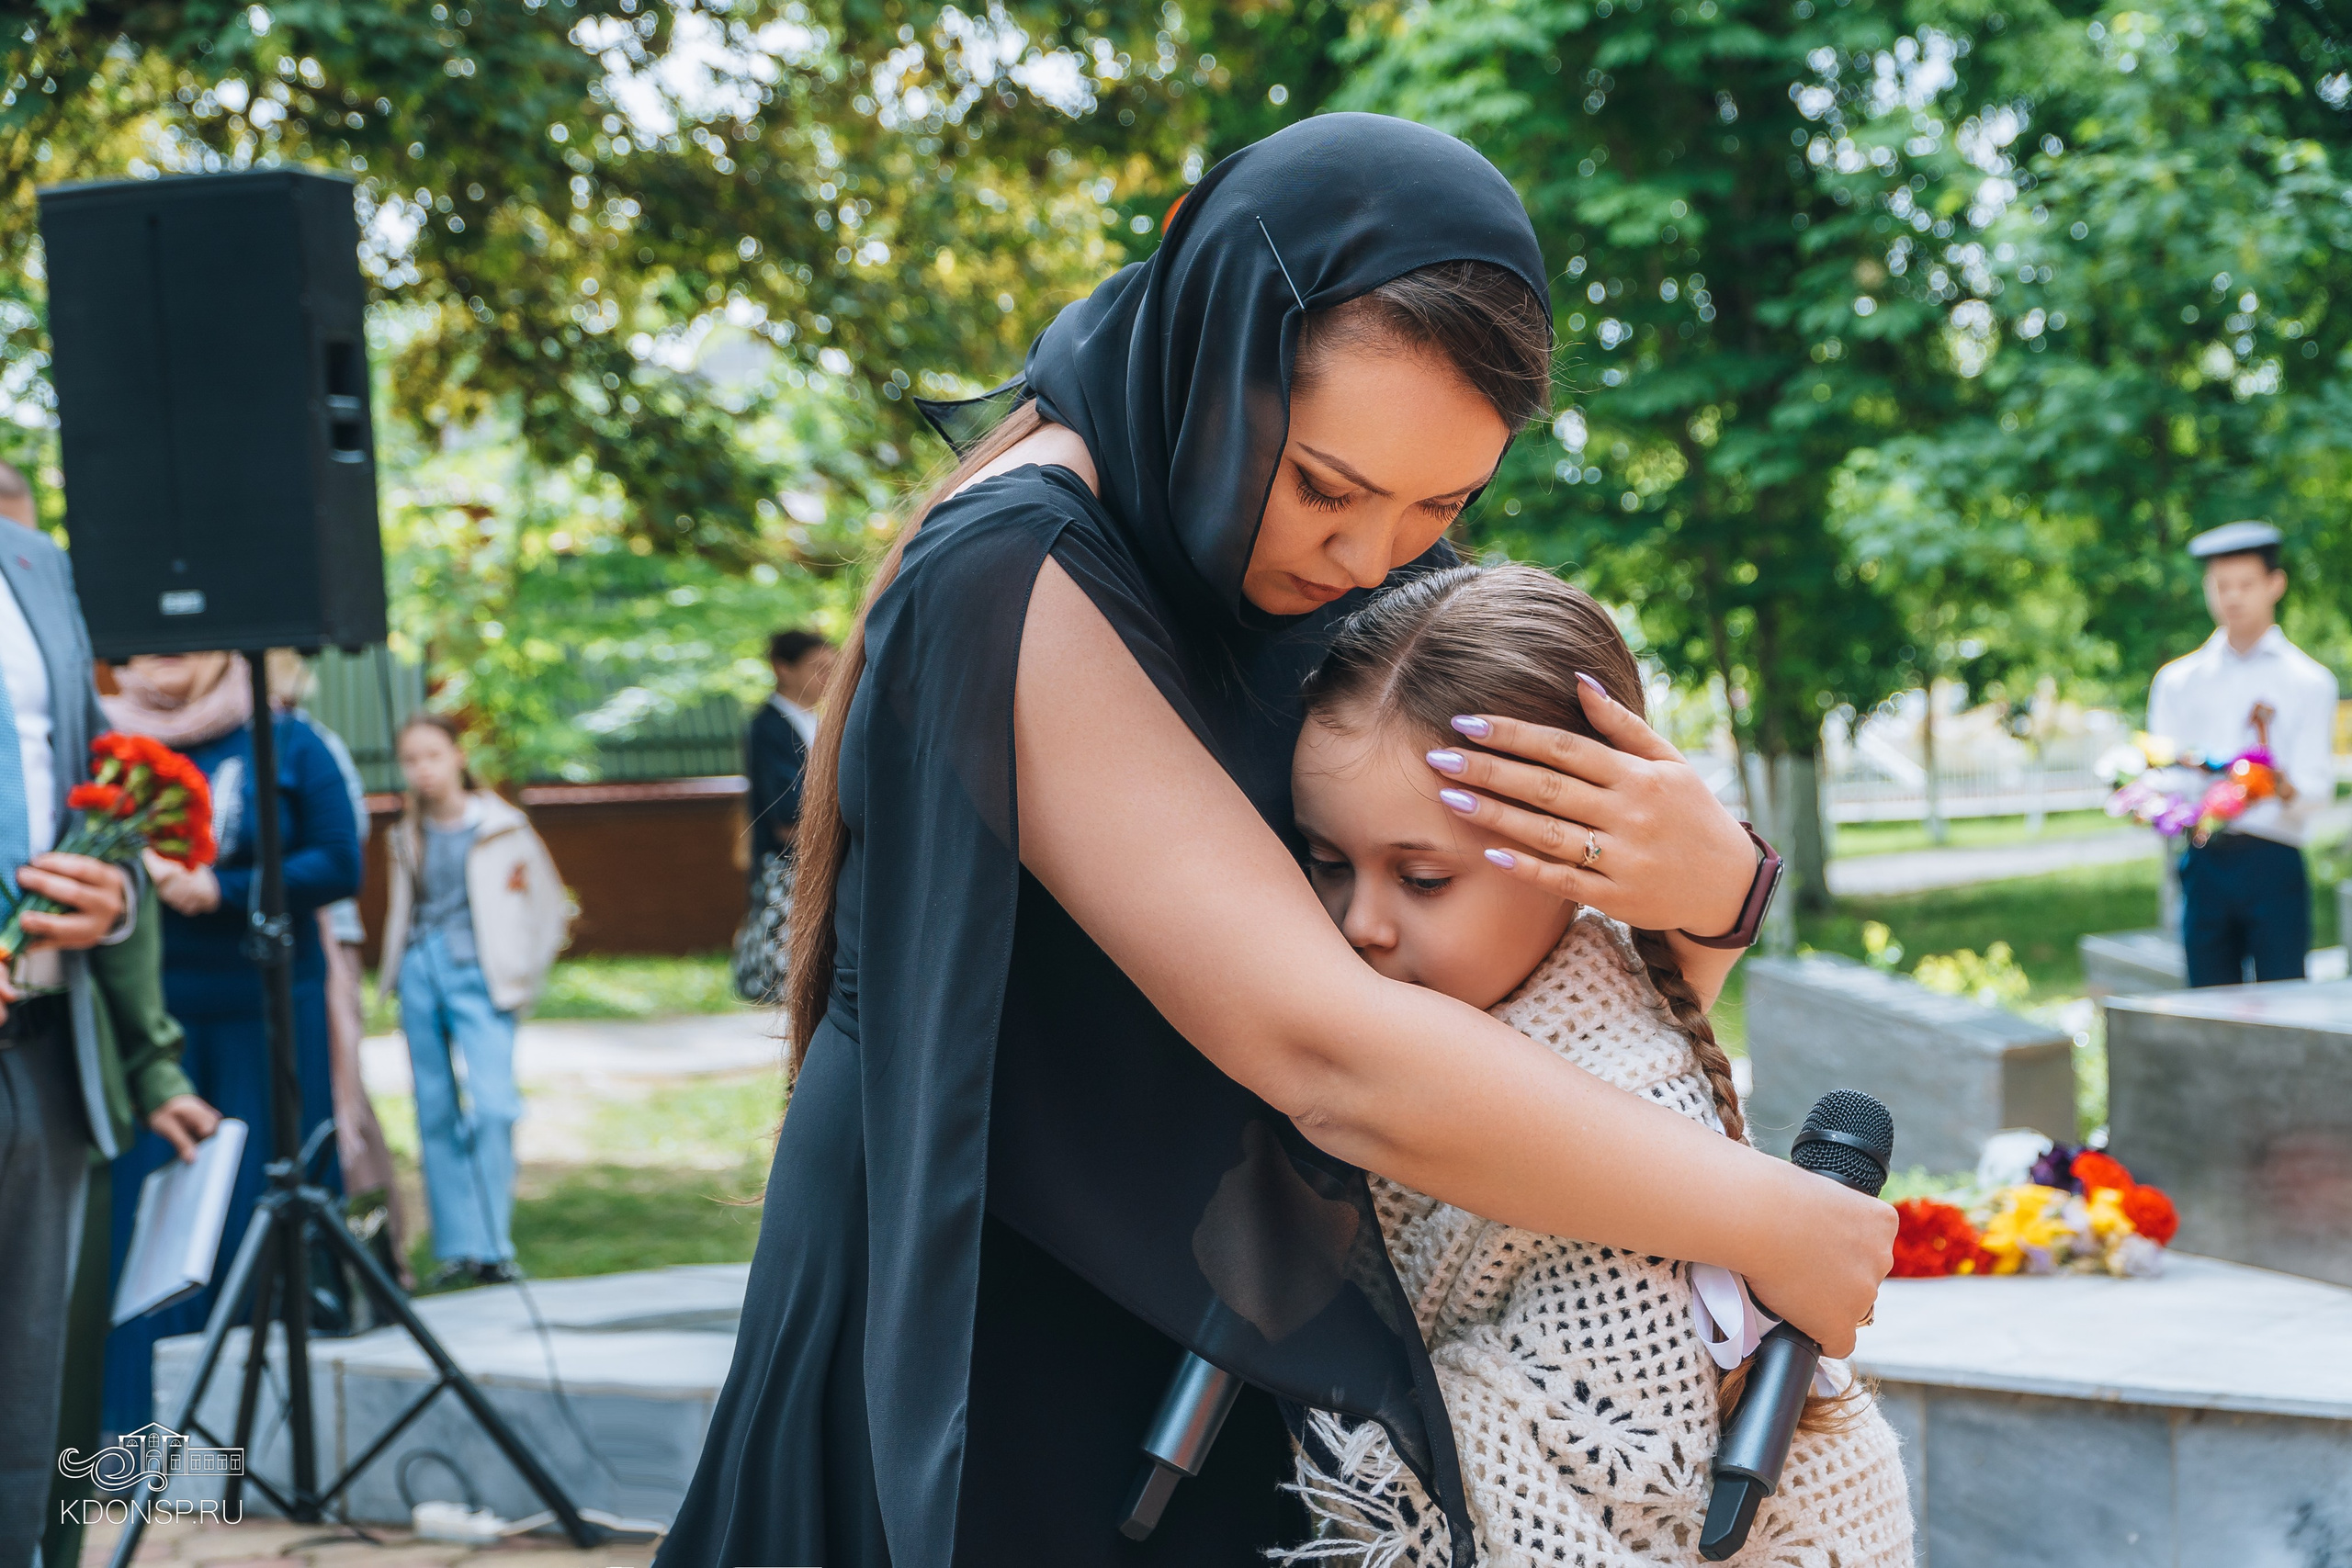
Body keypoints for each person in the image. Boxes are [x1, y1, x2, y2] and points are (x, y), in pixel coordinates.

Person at [658, 116, 1891, 1568]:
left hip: (1232, 1327)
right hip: (1009, 1330)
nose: (1370, 562)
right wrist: (1774, 1213)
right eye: (1327, 486)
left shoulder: (1321, 566)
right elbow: (1325, 1046)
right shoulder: (1016, 570)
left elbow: (1528, 961)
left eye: (1443, 506)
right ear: (1212, 330)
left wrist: (1709, 887)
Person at [1278, 563, 1912, 1565]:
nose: (1359, 923)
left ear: (1583, 851)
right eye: (1325, 861)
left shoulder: (1625, 1112)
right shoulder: (1510, 1018)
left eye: (1422, 877)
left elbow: (1622, 1483)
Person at [0, 463, 216, 1568]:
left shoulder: (41, 570)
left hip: (55, 1053)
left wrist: (156, 1061)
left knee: (40, 1407)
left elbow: (95, 814)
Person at [99, 650, 361, 1438]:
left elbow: (338, 860)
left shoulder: (288, 740)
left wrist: (224, 890)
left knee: (257, 1198)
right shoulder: (102, 746)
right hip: (145, 1024)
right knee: (144, 1219)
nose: (163, 652)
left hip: (268, 1011)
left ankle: (258, 1443)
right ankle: (135, 1430)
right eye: (144, 640)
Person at [374, 714, 568, 1287]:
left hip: (482, 977)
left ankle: (493, 1244)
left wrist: (522, 974)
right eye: (410, 759)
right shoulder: (404, 833)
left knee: (494, 1107)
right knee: (433, 1108)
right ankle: (457, 1247)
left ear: (458, 756)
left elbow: (550, 908)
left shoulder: (505, 828)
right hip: (420, 972)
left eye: (432, 755)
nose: (422, 769)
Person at [2148, 521, 2339, 987]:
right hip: (2204, 858)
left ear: (2276, 584)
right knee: (2208, 998)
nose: (2233, 597)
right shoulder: (2178, 681)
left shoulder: (2309, 682)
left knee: (2285, 997)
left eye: (2246, 584)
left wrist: (2270, 783)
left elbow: (2317, 787)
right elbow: (2165, 773)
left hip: (2273, 857)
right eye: (2221, 585)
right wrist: (2150, 800)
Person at [746, 628, 834, 866]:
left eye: (832, 669)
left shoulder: (823, 722)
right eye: (818, 669)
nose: (828, 677)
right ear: (783, 669)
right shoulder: (769, 727)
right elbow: (787, 811)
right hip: (785, 862)